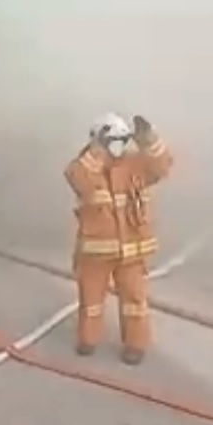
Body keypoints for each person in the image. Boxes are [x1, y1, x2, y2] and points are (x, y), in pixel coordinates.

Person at [63, 112, 173, 365]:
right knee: (91, 299)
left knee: (134, 300)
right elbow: (76, 176)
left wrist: (149, 138)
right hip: (96, 252)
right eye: (113, 139)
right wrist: (97, 151)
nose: (119, 145)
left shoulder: (134, 166)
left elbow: (162, 165)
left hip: (132, 251)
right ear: (98, 141)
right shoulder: (85, 167)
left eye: (124, 140)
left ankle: (136, 344)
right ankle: (88, 340)